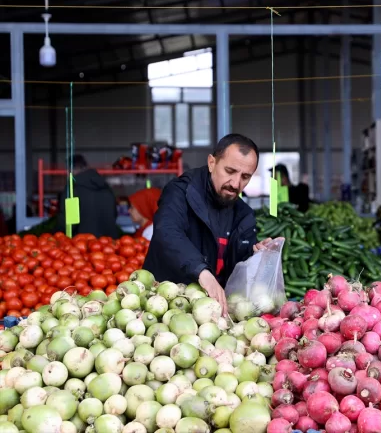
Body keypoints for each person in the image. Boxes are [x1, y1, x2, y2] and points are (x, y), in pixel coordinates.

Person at [143, 134, 273, 314]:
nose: (236, 183)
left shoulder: (243, 214)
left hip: (210, 313)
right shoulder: (181, 192)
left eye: (245, 176)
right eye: (230, 171)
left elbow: (237, 265)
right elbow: (167, 232)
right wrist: (201, 271)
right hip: (163, 305)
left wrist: (255, 255)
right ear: (212, 163)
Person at [55, 155, 119, 238]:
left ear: (70, 170)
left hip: (84, 242)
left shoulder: (73, 189)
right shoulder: (106, 186)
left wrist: (53, 233)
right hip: (109, 242)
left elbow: (69, 223)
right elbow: (114, 214)